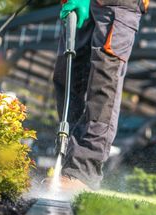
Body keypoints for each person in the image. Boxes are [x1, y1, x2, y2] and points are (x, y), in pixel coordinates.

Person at [53, 0, 148, 191]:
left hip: (118, 6)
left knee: (103, 85)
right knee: (66, 77)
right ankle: (67, 164)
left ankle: (83, 170)